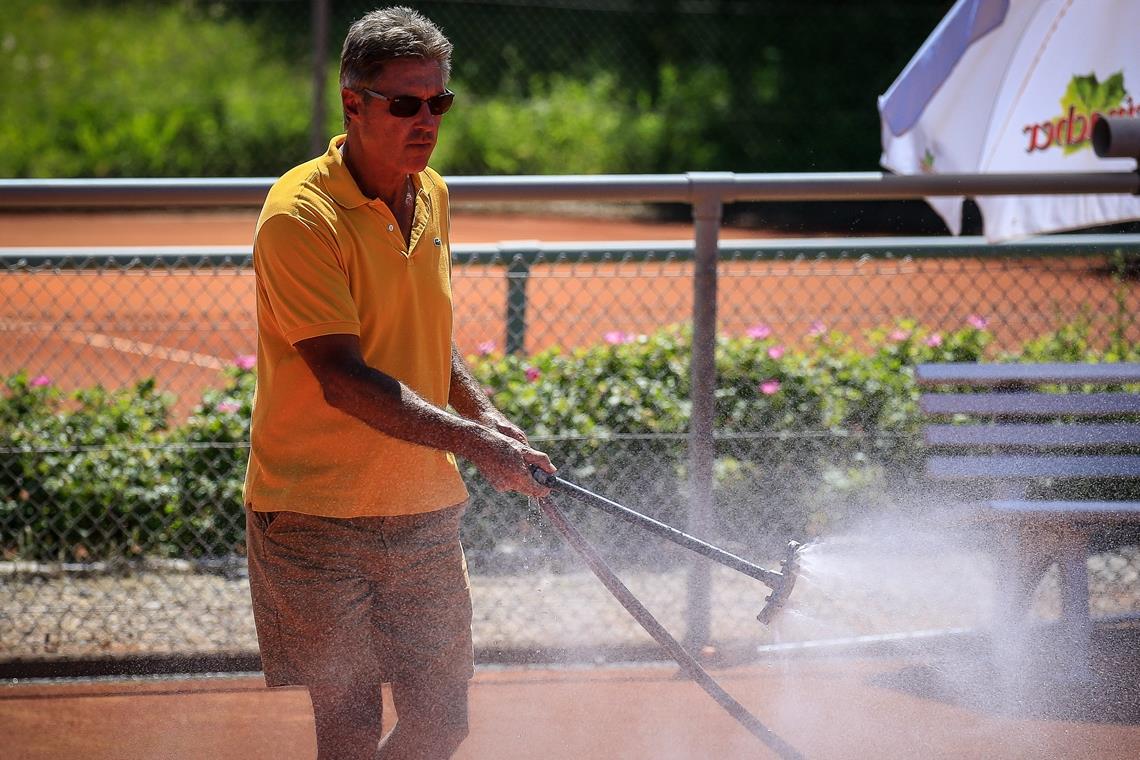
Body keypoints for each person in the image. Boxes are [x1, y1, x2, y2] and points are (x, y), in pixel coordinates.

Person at [242, 7, 555, 759]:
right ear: (353, 102)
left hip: (422, 510)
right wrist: (476, 444)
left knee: (441, 723)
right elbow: (345, 379)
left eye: (439, 102)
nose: (427, 120)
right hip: (316, 518)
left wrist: (487, 417)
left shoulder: (433, 193)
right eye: (406, 103)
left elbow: (425, 338)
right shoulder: (300, 216)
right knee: (347, 733)